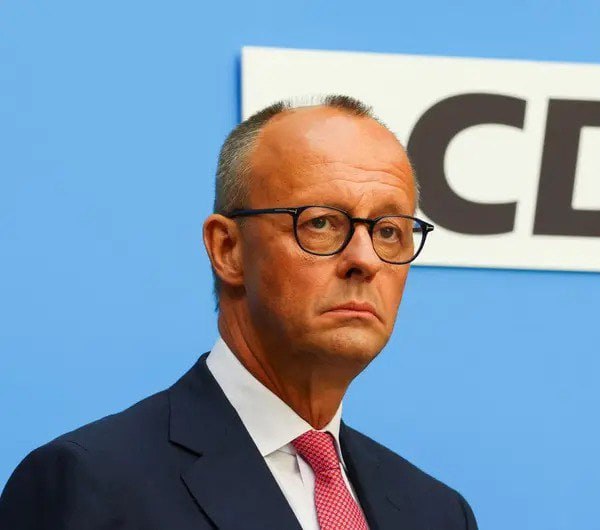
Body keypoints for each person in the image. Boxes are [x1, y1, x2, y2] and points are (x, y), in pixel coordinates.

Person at [0, 96, 478, 529]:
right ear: (227, 249)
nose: (365, 259)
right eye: (321, 223)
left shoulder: (437, 513)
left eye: (389, 231)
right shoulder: (90, 485)